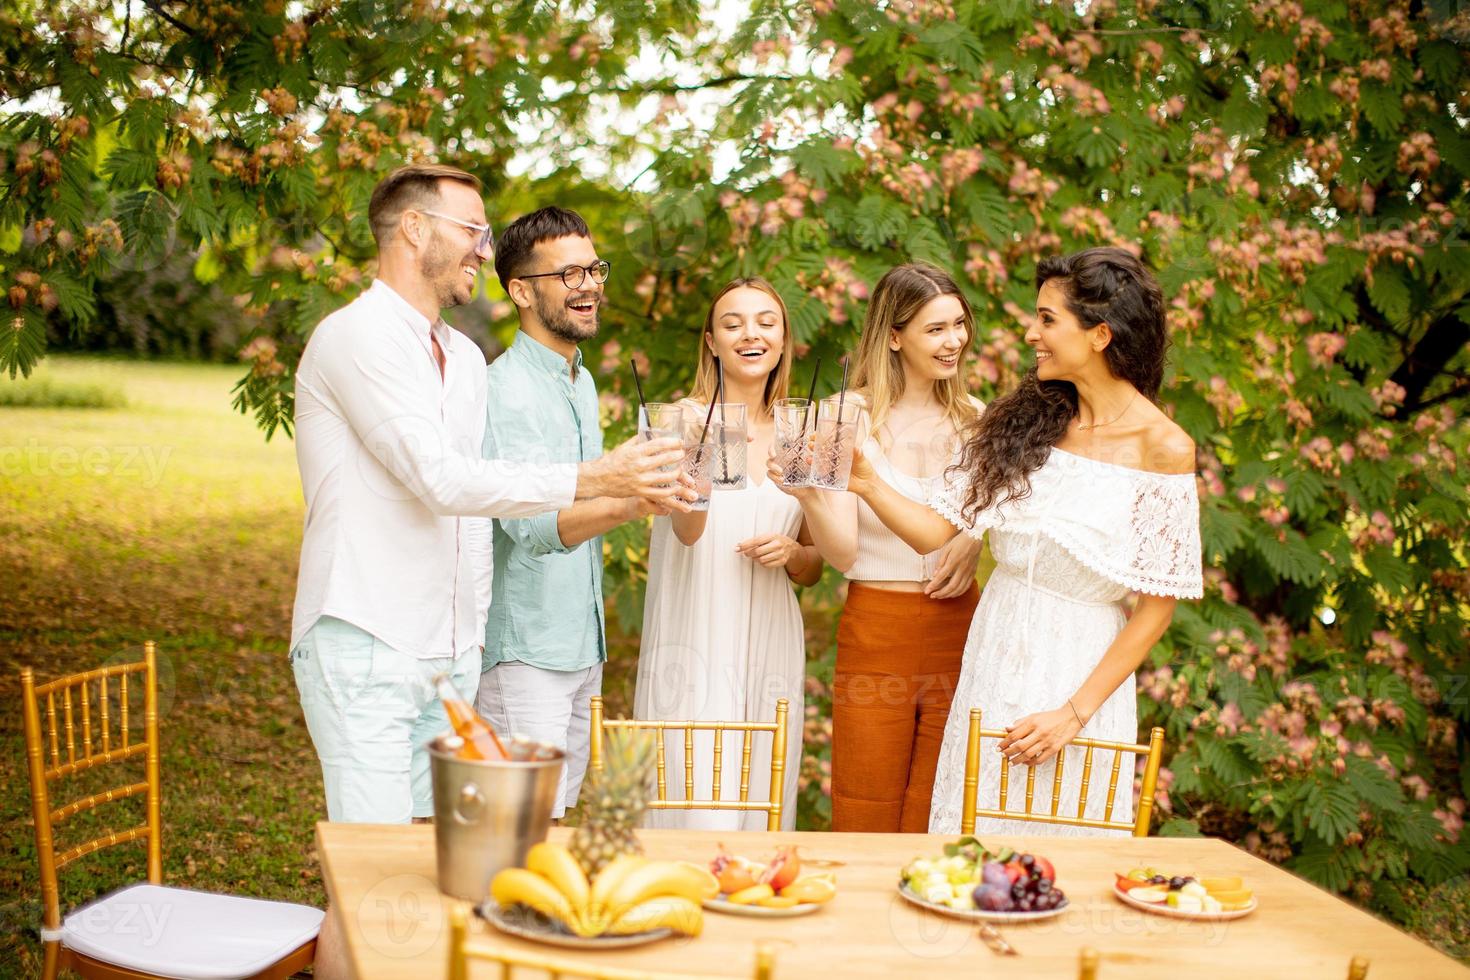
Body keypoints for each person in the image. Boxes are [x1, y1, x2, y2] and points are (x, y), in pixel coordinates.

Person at [290, 164, 684, 978]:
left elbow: (473, 517)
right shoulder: (354, 338)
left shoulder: (464, 359)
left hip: (448, 659)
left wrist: (468, 649)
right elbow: (437, 479)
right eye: (471, 229)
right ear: (413, 230)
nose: (481, 245)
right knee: (371, 878)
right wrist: (596, 477)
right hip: (364, 637)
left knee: (440, 878)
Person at [843, 247, 1202, 836]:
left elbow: (1155, 609)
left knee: (1061, 852)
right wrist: (866, 483)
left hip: (1080, 677)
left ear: (1100, 335)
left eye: (1047, 319)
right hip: (992, 660)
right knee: (967, 846)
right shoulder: (1023, 420)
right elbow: (935, 529)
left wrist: (1071, 715)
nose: (1030, 332)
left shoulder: (1163, 448)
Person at [474, 207, 678, 819]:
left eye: (593, 268)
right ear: (520, 292)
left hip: (581, 644)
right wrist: (631, 502)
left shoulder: (578, 380)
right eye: (567, 274)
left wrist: (639, 494)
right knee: (517, 825)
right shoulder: (503, 389)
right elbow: (534, 529)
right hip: (525, 650)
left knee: (555, 821)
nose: (589, 284)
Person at [770, 263, 983, 832]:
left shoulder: (978, 422)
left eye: (959, 325)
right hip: (876, 627)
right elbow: (840, 554)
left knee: (939, 805)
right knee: (866, 803)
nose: (954, 341)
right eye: (936, 329)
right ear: (895, 335)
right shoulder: (843, 416)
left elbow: (1002, 515)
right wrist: (809, 497)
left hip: (960, 629)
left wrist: (974, 536)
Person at [634, 277, 821, 830]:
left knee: (760, 789)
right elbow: (688, 533)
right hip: (697, 627)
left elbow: (813, 567)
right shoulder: (677, 422)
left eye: (766, 321)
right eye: (732, 323)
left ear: (784, 340)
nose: (750, 334)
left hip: (769, 632)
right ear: (712, 342)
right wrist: (697, 463)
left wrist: (790, 550)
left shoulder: (801, 431)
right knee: (697, 792)